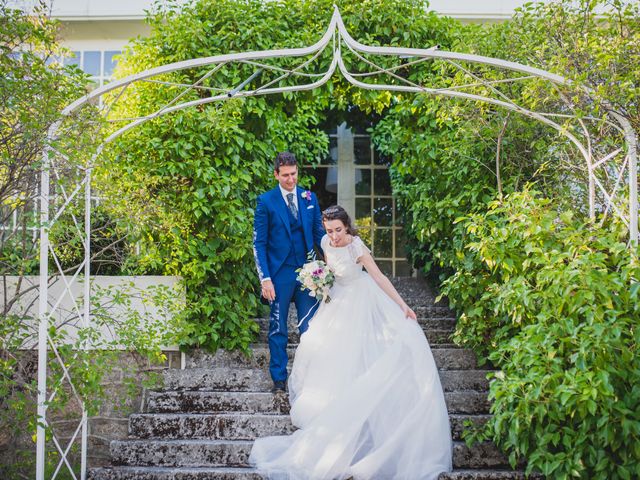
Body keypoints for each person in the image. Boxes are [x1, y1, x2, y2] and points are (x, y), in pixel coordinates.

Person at [249, 205, 453, 479]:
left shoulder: (357, 247)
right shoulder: (324, 241)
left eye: (338, 231)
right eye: (329, 230)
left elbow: (378, 277)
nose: (333, 236)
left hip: (360, 300)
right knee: (325, 355)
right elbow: (328, 269)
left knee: (356, 357)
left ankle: (358, 424)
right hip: (335, 302)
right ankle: (331, 417)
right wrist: (319, 282)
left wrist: (403, 305)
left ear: (347, 227)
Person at [253, 152, 325, 393]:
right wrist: (265, 278)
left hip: (307, 271)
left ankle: (310, 377)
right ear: (276, 175)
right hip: (279, 273)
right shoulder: (266, 201)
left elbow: (318, 235)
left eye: (294, 174)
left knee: (310, 327)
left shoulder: (309, 197)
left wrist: (336, 254)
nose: (291, 179)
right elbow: (259, 243)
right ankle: (279, 380)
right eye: (285, 175)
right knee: (278, 327)